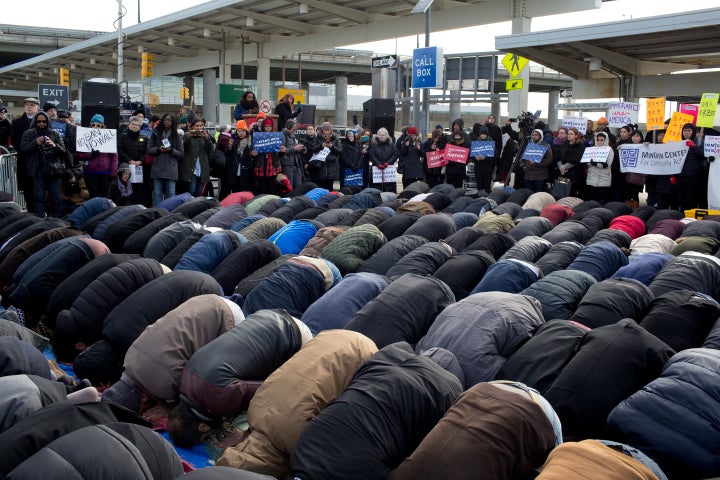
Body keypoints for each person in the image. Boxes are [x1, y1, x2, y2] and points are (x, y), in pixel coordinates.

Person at [20, 111, 69, 217]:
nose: (41, 124)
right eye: (39, 122)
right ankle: (40, 221)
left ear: (48, 122)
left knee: (56, 197)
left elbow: (63, 151)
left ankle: (57, 220)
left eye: (44, 121)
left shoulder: (54, 134)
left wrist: (53, 145)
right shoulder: (29, 133)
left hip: (53, 170)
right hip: (37, 170)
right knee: (39, 197)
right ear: (35, 122)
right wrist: (35, 143)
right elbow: (23, 149)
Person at [76, 114, 118, 200]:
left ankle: (106, 213)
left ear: (102, 126)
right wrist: (90, 155)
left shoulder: (108, 137)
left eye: (98, 125)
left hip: (105, 173)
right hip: (90, 173)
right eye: (93, 125)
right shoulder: (85, 136)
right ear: (90, 125)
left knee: (106, 197)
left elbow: (114, 157)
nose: (95, 127)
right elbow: (79, 155)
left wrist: (113, 172)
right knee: (93, 196)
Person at [148, 113, 184, 206]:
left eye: (169, 120)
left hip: (171, 167)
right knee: (157, 192)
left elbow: (181, 153)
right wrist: (158, 149)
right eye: (165, 120)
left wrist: (171, 150)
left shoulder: (177, 135)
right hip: (157, 166)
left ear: (173, 122)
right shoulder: (155, 133)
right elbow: (148, 149)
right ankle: (158, 211)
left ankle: (169, 212)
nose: (167, 122)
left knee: (171, 193)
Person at [11, 97, 40, 207]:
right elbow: (15, 141)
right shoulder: (16, 123)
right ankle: (31, 213)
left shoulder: (42, 121)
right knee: (27, 190)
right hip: (25, 160)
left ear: (37, 107)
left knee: (40, 189)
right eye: (27, 104)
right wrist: (27, 149)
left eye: (31, 105)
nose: (28, 107)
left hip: (39, 160)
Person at [118, 115, 150, 206]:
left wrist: (140, 161)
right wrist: (129, 160)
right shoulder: (122, 137)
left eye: (137, 124)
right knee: (127, 187)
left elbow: (147, 152)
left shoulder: (144, 137)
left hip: (140, 167)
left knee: (140, 189)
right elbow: (120, 150)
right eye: (132, 124)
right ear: (129, 125)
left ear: (140, 126)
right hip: (126, 166)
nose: (134, 126)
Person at [677, 122, 707, 211]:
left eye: (689, 130)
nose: (686, 132)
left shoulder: (698, 142)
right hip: (680, 176)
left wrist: (693, 146)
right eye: (685, 131)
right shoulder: (679, 143)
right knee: (682, 200)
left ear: (693, 132)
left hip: (693, 176)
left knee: (691, 200)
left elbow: (703, 155)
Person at [180, 118, 214, 197]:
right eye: (197, 126)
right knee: (192, 190)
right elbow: (183, 148)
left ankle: (198, 207)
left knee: (199, 191)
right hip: (191, 167)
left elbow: (211, 148)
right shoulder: (187, 135)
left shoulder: (205, 135)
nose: (199, 127)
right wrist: (189, 137)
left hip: (202, 167)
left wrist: (207, 138)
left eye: (201, 125)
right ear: (192, 127)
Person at [251, 118, 283, 194]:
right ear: (263, 127)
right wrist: (253, 154)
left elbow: (280, 155)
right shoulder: (257, 137)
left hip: (272, 168)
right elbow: (253, 152)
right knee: (261, 190)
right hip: (261, 167)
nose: (268, 128)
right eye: (266, 126)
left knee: (271, 190)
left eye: (270, 126)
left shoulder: (276, 137)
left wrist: (282, 151)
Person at [308, 122, 341, 190]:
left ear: (331, 130)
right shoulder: (318, 137)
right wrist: (321, 146)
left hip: (331, 165)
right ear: (322, 130)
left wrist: (332, 147)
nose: (326, 132)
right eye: (325, 130)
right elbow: (313, 149)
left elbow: (340, 151)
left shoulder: (335, 138)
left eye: (328, 130)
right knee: (320, 186)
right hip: (320, 165)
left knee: (329, 186)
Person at [556, 127, 586, 198]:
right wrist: (560, 166)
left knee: (572, 194)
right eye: (568, 134)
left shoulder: (580, 146)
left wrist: (564, 167)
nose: (569, 135)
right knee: (563, 192)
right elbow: (558, 157)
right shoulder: (564, 145)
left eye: (571, 134)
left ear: (576, 135)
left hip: (575, 176)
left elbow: (577, 160)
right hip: (564, 174)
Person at [522, 128, 554, 193]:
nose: (534, 136)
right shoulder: (530, 145)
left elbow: (549, 159)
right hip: (528, 176)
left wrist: (537, 163)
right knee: (529, 194)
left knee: (538, 195)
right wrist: (524, 165)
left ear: (541, 136)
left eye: (536, 135)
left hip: (540, 177)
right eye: (533, 135)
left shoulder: (545, 145)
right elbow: (524, 158)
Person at [585, 131, 614, 204]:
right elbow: (587, 161)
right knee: (592, 199)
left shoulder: (609, 150)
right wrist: (593, 163)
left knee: (602, 199)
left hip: (604, 178)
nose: (599, 141)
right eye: (598, 139)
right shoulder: (591, 149)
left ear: (605, 140)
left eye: (601, 140)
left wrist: (596, 164)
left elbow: (608, 164)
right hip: (592, 177)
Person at [368, 127, 399, 192]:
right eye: (380, 135)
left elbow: (395, 154)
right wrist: (378, 163)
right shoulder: (374, 145)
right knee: (376, 187)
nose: (381, 136)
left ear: (386, 136)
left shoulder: (391, 145)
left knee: (389, 187)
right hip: (376, 169)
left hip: (388, 169)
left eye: (383, 135)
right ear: (377, 136)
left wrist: (388, 162)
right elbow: (371, 155)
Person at [470, 125, 495, 193]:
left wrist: (485, 157)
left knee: (487, 183)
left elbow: (495, 155)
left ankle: (487, 194)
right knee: (479, 183)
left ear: (487, 134)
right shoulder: (476, 141)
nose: (482, 135)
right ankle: (480, 194)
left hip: (487, 166)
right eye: (481, 134)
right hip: (478, 166)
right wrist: (475, 157)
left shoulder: (491, 141)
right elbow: (472, 154)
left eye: (484, 134)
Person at [281, 120, 305, 189]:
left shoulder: (292, 136)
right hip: (287, 164)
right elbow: (283, 151)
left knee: (298, 187)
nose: (294, 131)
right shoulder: (282, 135)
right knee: (289, 187)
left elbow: (293, 149)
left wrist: (300, 149)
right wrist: (295, 149)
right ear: (288, 127)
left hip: (296, 164)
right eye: (293, 129)